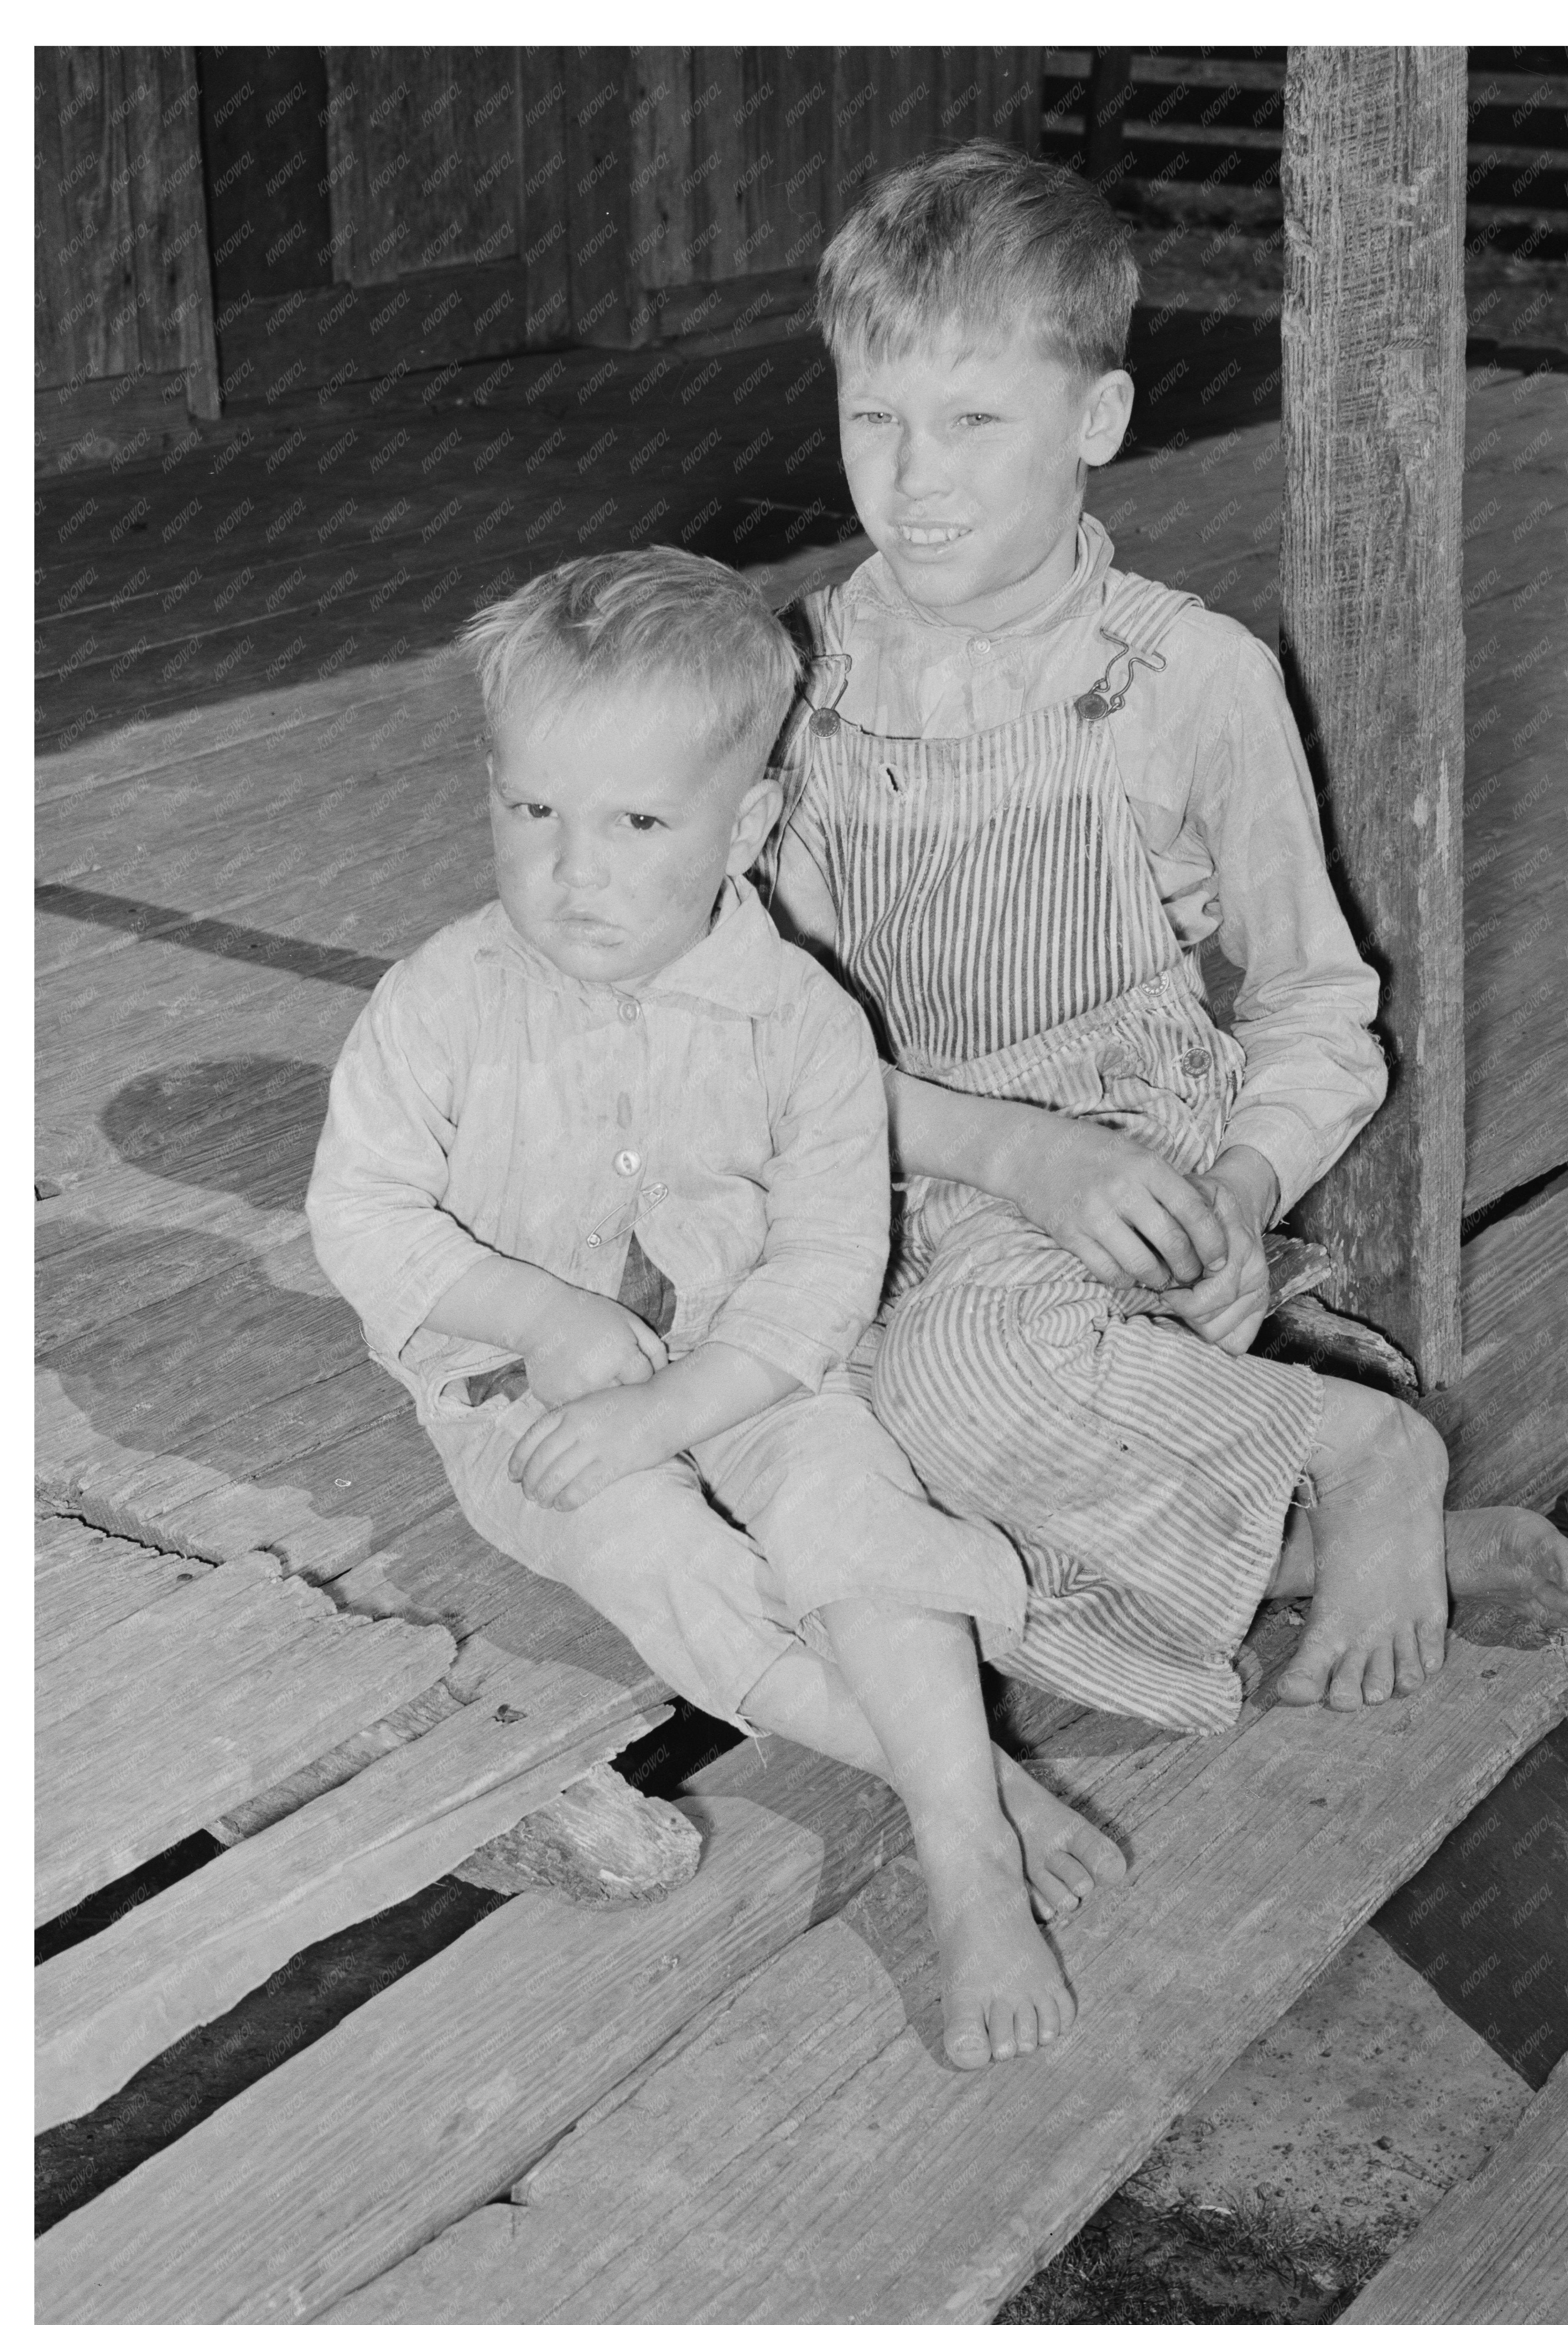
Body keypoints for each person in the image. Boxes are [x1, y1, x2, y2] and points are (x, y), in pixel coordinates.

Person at [769, 141, 1568, 1737]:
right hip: (861, 1156)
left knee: (957, 1382)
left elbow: (1313, 1006)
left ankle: (1363, 1454)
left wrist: (1235, 1190)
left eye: (970, 422)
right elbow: (749, 1023)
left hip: (1102, 1178)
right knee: (757, 1431)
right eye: (874, 417)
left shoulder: (1185, 681)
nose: (911, 478)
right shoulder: (794, 672)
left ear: (1096, 422)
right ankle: (1295, 1547)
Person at [307, 548, 1127, 2073]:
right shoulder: (438, 999)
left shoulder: (799, 1021)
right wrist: (537, 1315)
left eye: (635, 822)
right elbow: (356, 1214)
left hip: (752, 1365)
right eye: (529, 812)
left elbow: (823, 1267)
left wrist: (687, 1403)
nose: (574, 870)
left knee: (843, 1497)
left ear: (745, 826)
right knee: (652, 1550)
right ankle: (959, 1795)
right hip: (521, 1398)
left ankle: (961, 1857)